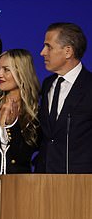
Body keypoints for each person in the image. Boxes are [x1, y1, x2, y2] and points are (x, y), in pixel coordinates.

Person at [35, 22, 92, 173]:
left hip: (80, 182)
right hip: (44, 180)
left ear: (68, 51)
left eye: (49, 47)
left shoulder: (89, 85)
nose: (42, 52)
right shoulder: (47, 84)